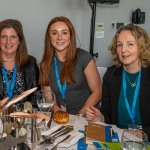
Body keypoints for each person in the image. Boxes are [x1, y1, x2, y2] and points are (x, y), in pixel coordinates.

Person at [86, 24, 150, 141]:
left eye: (130, 44)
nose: (123, 50)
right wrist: (101, 117)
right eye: (119, 45)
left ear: (142, 47)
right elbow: (108, 112)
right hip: (118, 138)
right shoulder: (111, 75)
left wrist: (142, 133)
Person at [39, 16, 102, 115]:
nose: (59, 37)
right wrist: (59, 114)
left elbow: (97, 92)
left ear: (70, 36)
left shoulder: (84, 57)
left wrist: (80, 115)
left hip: (86, 116)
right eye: (54, 33)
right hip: (61, 117)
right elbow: (50, 100)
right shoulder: (44, 65)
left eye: (64, 33)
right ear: (49, 37)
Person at [0, 19, 39, 109]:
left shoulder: (30, 62)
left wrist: (26, 114)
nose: (8, 41)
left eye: (13, 37)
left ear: (19, 40)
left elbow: (35, 95)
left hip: (24, 118)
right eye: (3, 37)